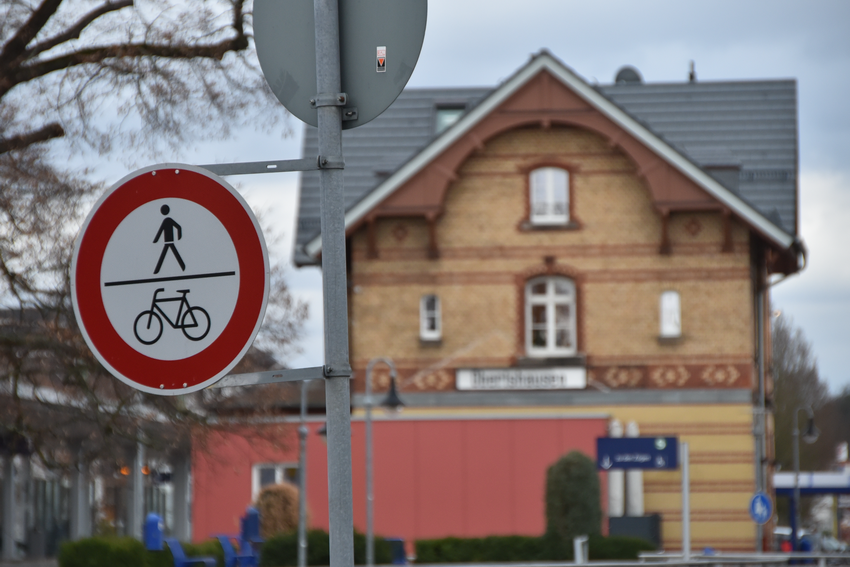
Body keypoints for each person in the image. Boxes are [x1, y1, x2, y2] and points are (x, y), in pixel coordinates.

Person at [153, 204, 185, 274]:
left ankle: (157, 270)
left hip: (169, 241)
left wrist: (156, 240)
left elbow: (160, 231)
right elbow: (178, 227)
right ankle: (183, 267)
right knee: (169, 253)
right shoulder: (168, 220)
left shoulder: (167, 220)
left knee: (165, 254)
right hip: (168, 241)